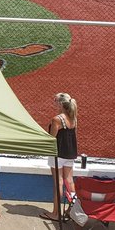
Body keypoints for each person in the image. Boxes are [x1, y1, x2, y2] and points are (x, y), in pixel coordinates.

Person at [43, 91, 79, 221]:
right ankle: (72, 210)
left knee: (58, 182)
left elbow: (52, 138)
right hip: (70, 153)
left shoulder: (57, 119)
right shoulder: (73, 117)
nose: (54, 104)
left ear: (60, 103)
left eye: (55, 101)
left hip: (58, 153)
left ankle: (56, 213)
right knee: (69, 181)